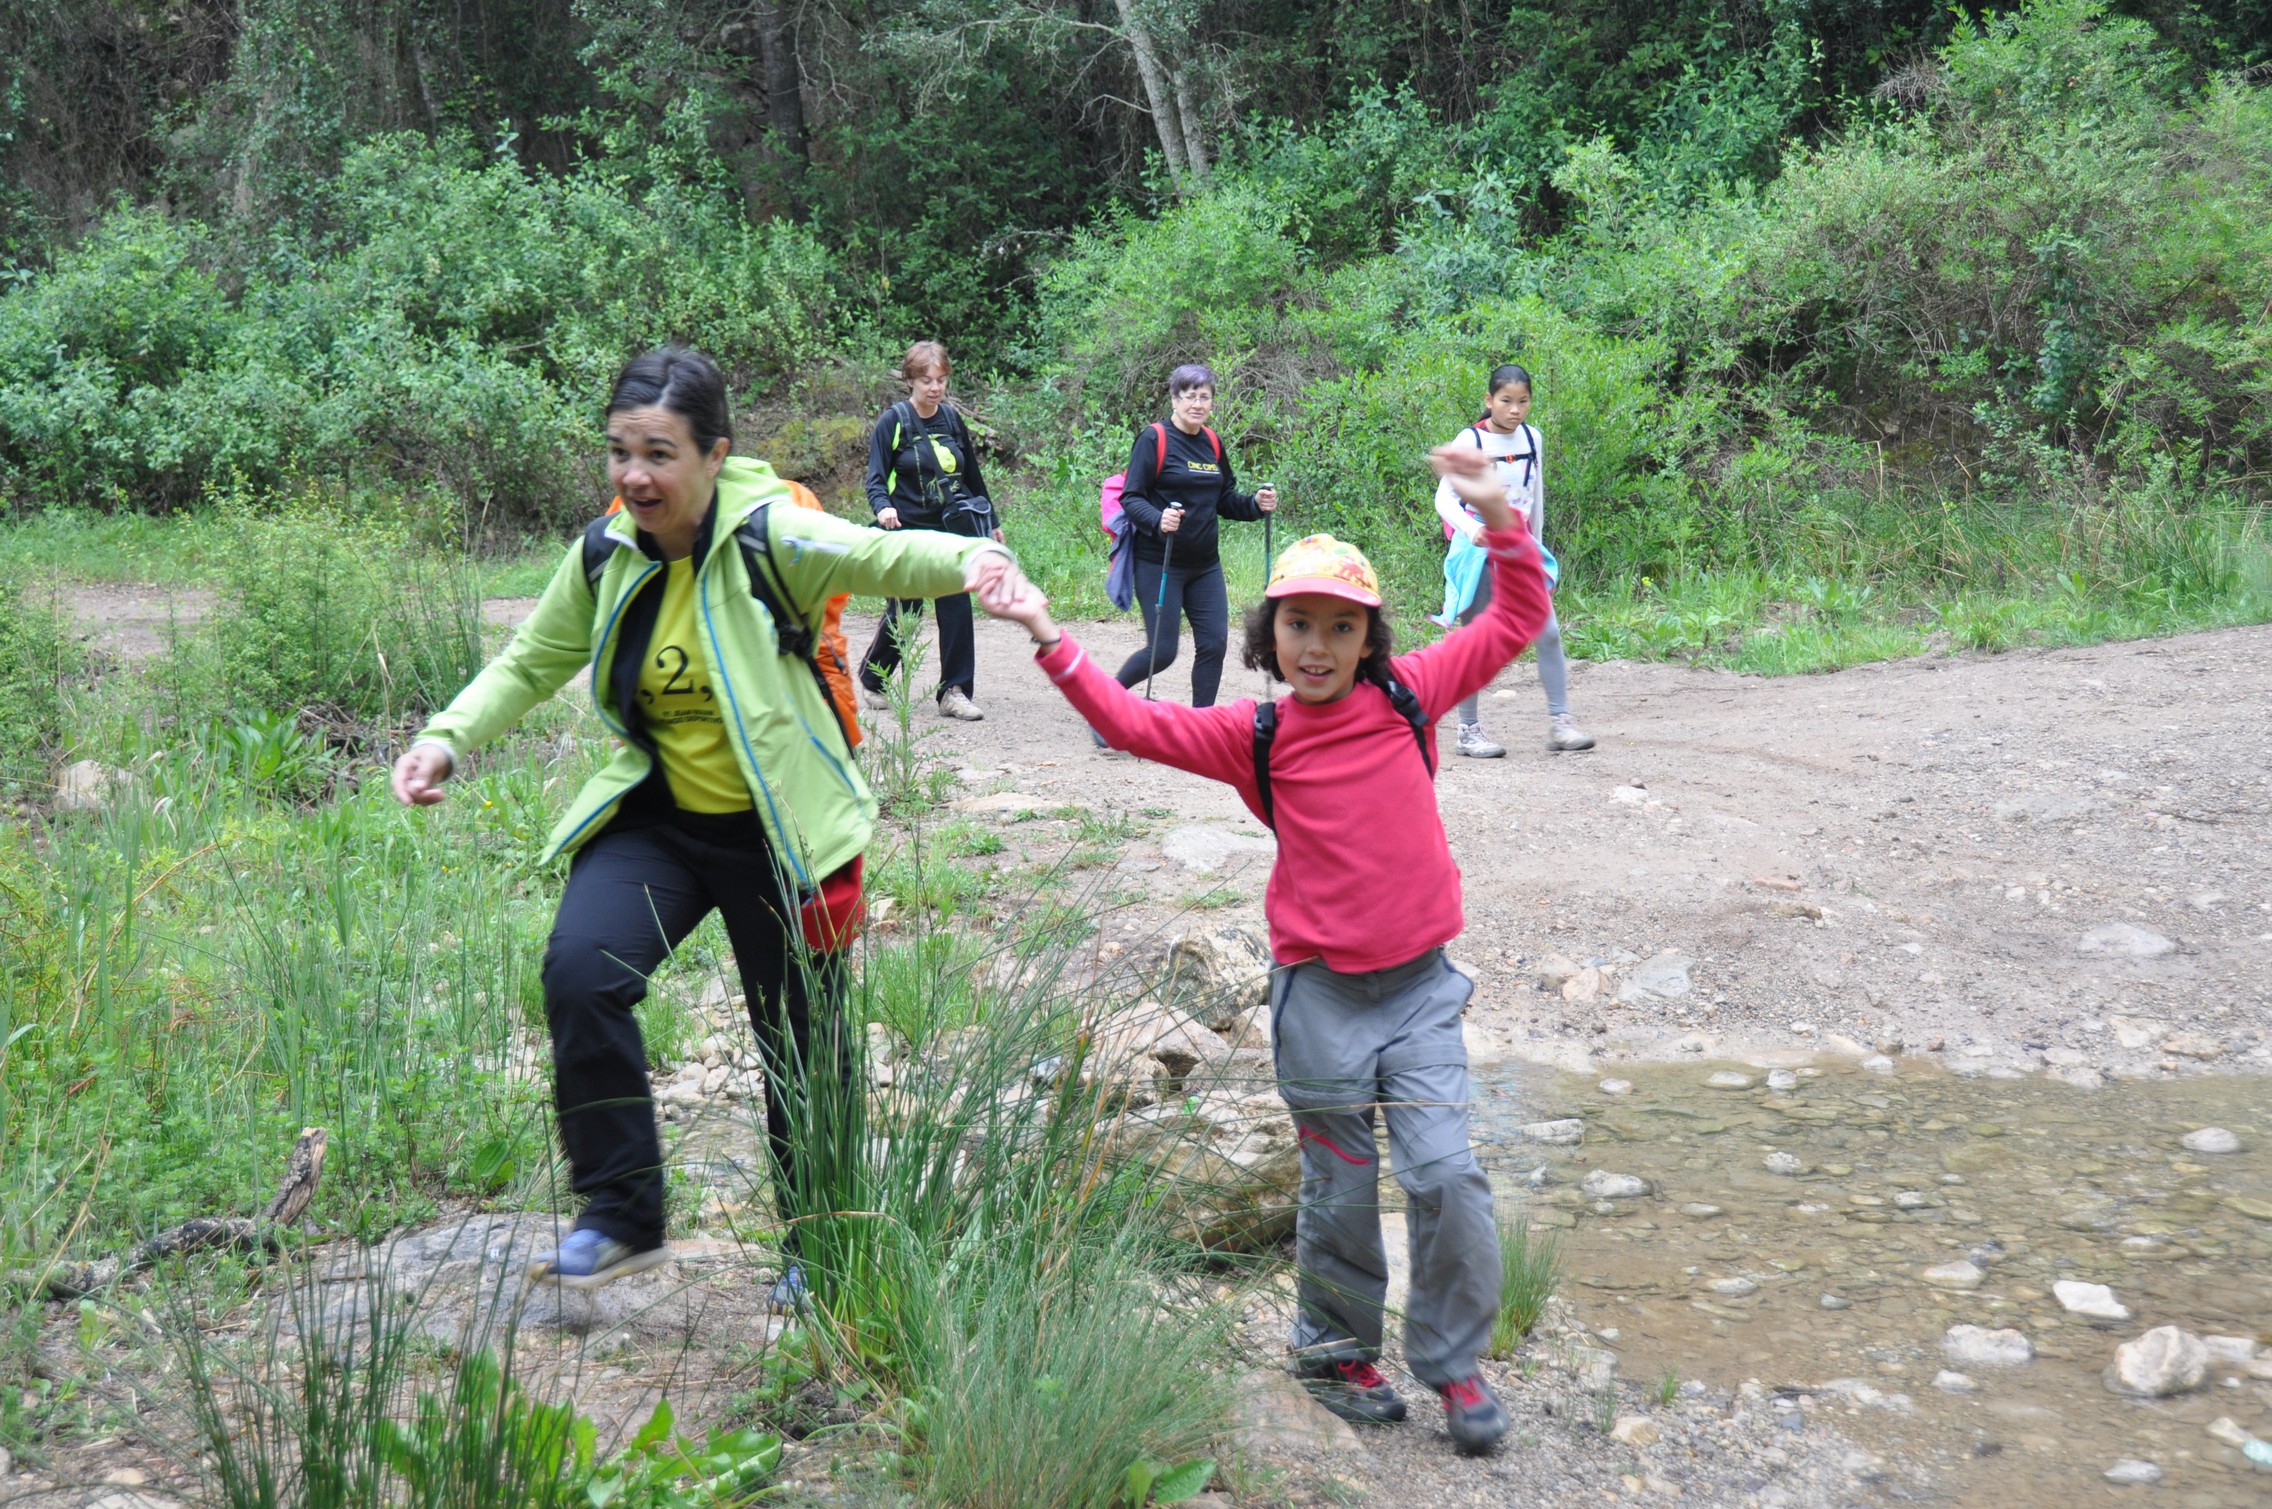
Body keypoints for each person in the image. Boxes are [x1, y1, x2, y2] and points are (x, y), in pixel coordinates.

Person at [390, 347, 1017, 1292]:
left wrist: (977, 558)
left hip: (781, 832)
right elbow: (529, 659)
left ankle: (822, 1247)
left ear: (714, 454)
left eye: (660, 453)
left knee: (800, 1042)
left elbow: (880, 553)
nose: (635, 475)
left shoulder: (771, 534)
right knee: (580, 971)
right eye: (620, 451)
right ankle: (622, 1214)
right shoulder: (606, 553)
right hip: (662, 821)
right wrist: (445, 738)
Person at [970, 443, 1549, 1456]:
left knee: (1447, 1176)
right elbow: (1130, 722)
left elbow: (1515, 618)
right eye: (1298, 624)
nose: (1318, 645)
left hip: (1419, 994)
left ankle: (1454, 1363)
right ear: (1268, 633)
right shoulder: (1258, 734)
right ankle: (1334, 1355)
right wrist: (1044, 630)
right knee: (1339, 1190)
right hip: (1318, 1001)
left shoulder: (1411, 693)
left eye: (1341, 626)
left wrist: (1499, 514)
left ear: (1370, 638)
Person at [1431, 363, 1594, 757]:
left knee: (1548, 631)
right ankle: (1468, 730)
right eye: (1506, 401)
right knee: (1476, 638)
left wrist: (1535, 547)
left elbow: (1534, 497)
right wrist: (1473, 530)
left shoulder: (1532, 438)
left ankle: (1561, 722)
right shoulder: (1471, 440)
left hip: (1519, 547)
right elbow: (1444, 498)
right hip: (1479, 550)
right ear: (1489, 401)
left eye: (1523, 401)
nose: (1515, 410)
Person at [1110, 363, 1276, 710]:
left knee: (1214, 645)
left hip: (1205, 567)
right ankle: (1104, 704)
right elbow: (1131, 497)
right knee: (1162, 652)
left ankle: (1203, 724)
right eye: (1190, 396)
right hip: (1159, 563)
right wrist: (1159, 519)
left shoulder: (1212, 443)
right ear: (1174, 399)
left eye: (1205, 397)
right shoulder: (1154, 439)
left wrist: (1255, 504)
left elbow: (1224, 499)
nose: (1198, 404)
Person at [859, 341, 1002, 722]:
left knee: (956, 606)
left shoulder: (952, 420)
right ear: (910, 380)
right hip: (906, 530)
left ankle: (954, 691)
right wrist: (883, 507)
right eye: (926, 380)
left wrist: (992, 523)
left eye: (941, 380)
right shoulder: (894, 421)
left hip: (949, 530)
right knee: (906, 610)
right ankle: (874, 677)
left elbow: (972, 477)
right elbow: (875, 478)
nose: (935, 387)